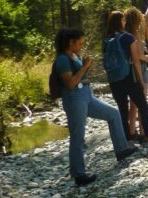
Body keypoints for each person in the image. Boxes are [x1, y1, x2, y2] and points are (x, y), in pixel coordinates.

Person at [53, 27, 136, 185]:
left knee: (113, 113)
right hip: (74, 98)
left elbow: (80, 76)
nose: (81, 46)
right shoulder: (62, 60)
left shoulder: (74, 56)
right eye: (79, 43)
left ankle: (121, 150)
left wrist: (86, 66)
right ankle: (78, 174)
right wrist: (84, 67)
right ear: (71, 42)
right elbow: (70, 83)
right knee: (78, 136)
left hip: (87, 96)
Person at [104, 10, 148, 146]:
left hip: (115, 80)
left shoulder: (107, 40)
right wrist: (141, 81)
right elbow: (136, 60)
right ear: (121, 21)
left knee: (122, 109)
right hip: (129, 78)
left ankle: (129, 139)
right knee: (142, 105)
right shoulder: (128, 38)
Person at [123, 8, 148, 140]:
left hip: (129, 71)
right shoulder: (135, 34)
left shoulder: (124, 34)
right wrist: (146, 58)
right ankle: (143, 131)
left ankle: (131, 132)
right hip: (140, 68)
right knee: (142, 103)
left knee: (133, 104)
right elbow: (140, 55)